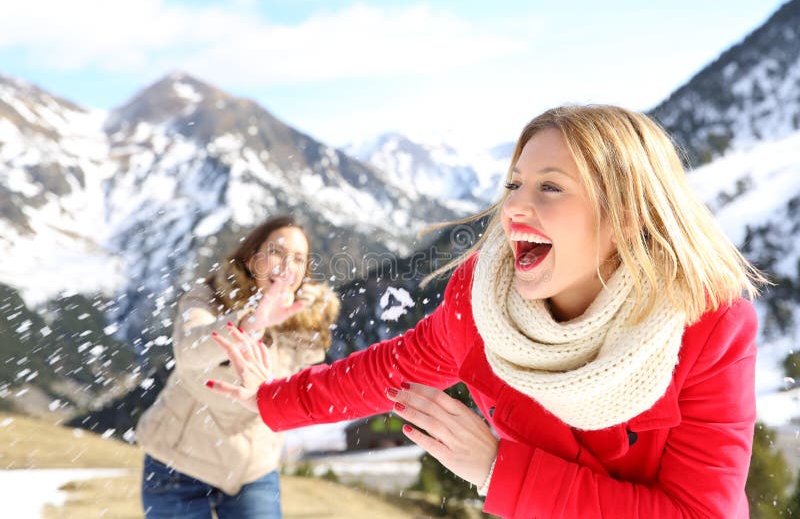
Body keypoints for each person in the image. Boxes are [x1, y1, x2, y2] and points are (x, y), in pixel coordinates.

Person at [207, 105, 766, 518]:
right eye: (515, 184)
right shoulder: (482, 303)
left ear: (625, 217)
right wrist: (269, 399)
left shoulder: (709, 329)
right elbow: (386, 374)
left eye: (551, 188)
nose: (515, 207)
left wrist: (498, 470)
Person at [135, 215, 340, 519]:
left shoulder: (304, 322)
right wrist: (250, 324)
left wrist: (313, 321)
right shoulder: (208, 297)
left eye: (299, 259)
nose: (287, 266)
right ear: (251, 257)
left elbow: (301, 388)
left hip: (253, 471)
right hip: (178, 465)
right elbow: (189, 350)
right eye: (276, 253)